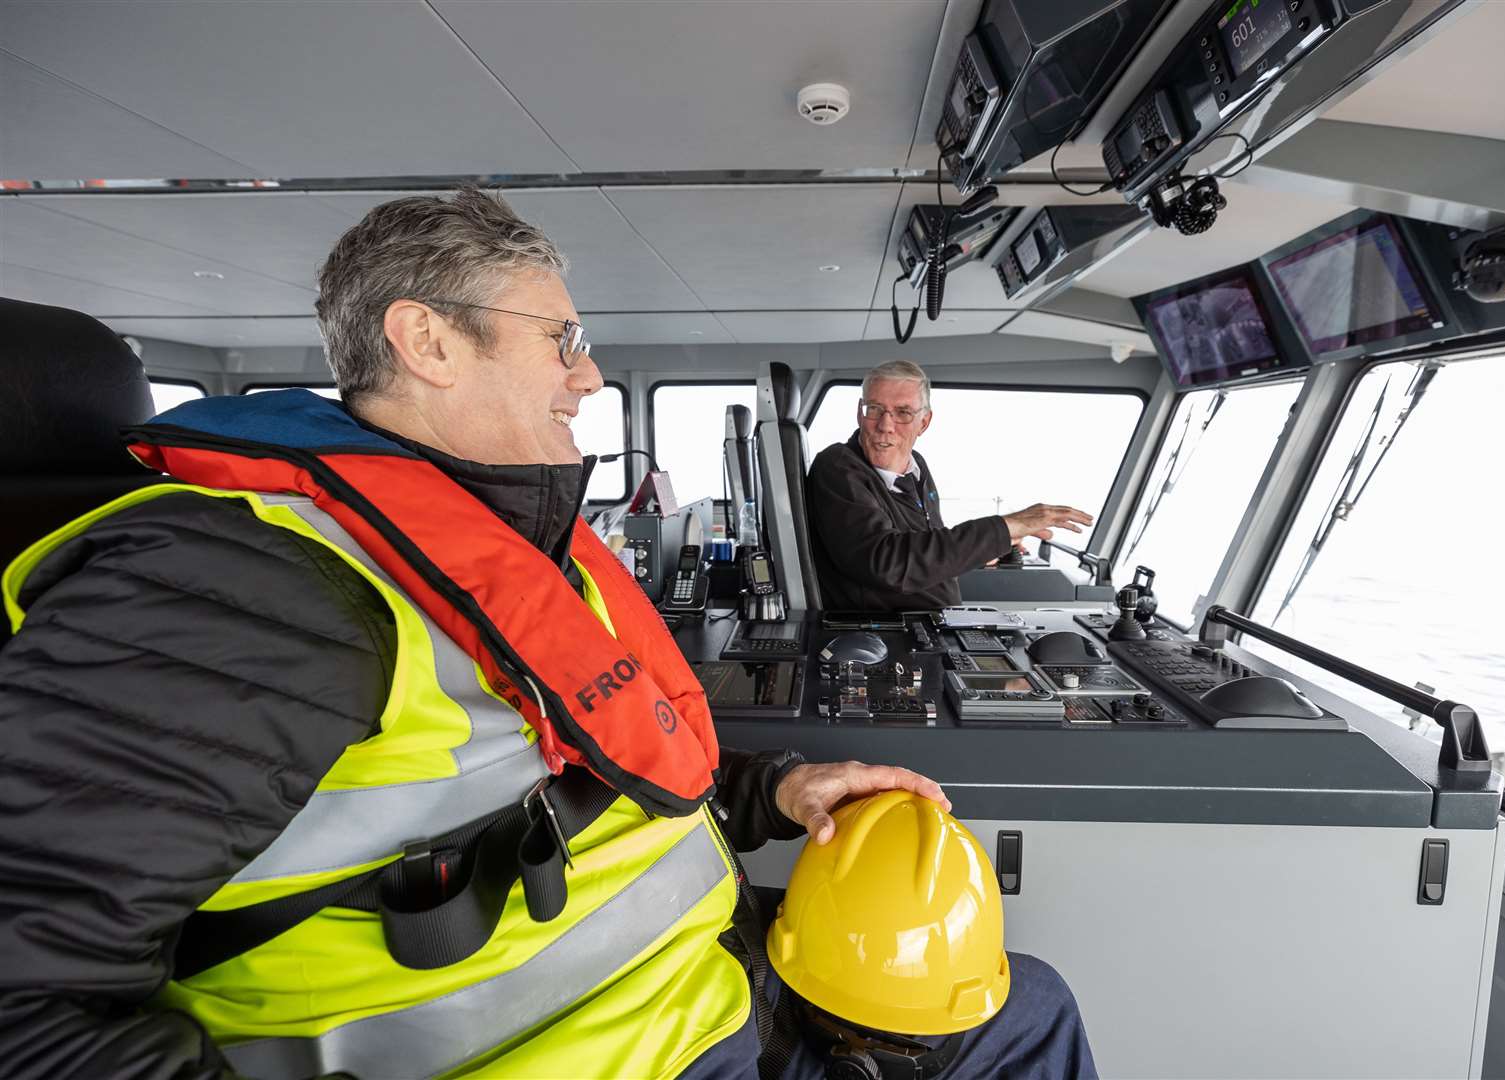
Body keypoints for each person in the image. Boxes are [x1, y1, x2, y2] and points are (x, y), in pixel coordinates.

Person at [0, 189, 1093, 1078]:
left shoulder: (510, 548)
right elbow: (27, 1002)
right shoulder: (228, 589)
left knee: (1031, 1000)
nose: (590, 373)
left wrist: (769, 794)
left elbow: (579, 763)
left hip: (701, 982)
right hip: (594, 1045)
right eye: (563, 338)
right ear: (426, 339)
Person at [806, 360, 1094, 611]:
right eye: (875, 409)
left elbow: (926, 548)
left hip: (932, 625)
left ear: (924, 422)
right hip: (886, 637)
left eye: (903, 412)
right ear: (860, 412)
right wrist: (1003, 528)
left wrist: (985, 551)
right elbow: (887, 563)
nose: (886, 425)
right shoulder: (838, 468)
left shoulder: (916, 467)